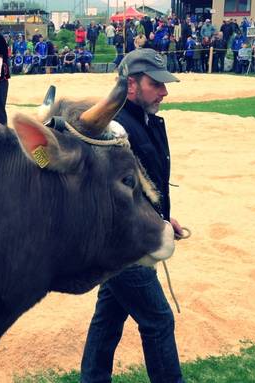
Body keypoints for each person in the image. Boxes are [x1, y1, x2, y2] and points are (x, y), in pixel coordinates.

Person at [80, 48, 184, 383]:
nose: (164, 91)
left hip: (136, 235)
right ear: (131, 85)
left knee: (109, 316)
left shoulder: (143, 120)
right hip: (122, 244)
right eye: (156, 84)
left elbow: (145, 185)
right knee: (158, 320)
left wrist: (165, 219)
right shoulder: (112, 131)